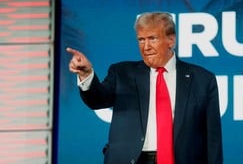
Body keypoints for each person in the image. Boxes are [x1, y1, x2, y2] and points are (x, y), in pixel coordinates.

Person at [67, 12, 223, 164]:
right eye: (141, 40)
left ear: (171, 40)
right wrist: (86, 74)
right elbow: (97, 99)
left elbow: (213, 138)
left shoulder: (202, 79)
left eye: (152, 38)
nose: (146, 46)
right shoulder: (122, 73)